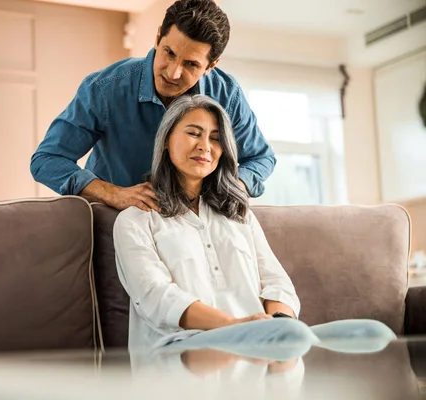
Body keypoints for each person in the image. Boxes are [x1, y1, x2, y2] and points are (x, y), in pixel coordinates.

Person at [113, 94, 396, 360]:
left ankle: (288, 341)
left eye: (215, 138)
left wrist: (278, 324)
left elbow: (276, 281)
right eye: (193, 133)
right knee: (298, 337)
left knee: (373, 332)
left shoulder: (238, 215)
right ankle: (288, 339)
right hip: (177, 347)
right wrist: (237, 326)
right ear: (165, 140)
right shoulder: (135, 220)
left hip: (259, 341)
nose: (205, 146)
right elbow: (156, 297)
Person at [31, 0, 275, 212]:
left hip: (193, 229)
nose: (173, 73)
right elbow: (47, 160)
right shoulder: (105, 89)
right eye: (169, 53)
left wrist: (229, 190)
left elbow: (261, 159)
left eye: (191, 64)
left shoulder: (226, 94)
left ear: (211, 65)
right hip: (115, 222)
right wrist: (112, 193)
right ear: (158, 37)